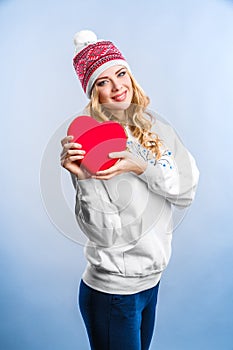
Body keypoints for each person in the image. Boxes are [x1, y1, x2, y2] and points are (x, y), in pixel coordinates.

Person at [60, 30, 199, 350]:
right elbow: (104, 235)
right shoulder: (89, 141)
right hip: (113, 293)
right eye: (103, 81)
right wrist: (84, 181)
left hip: (152, 284)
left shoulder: (156, 127)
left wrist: (142, 167)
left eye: (120, 73)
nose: (117, 86)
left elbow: (186, 192)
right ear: (93, 92)